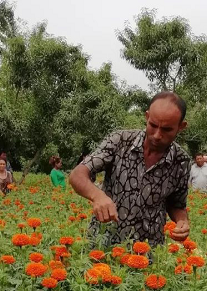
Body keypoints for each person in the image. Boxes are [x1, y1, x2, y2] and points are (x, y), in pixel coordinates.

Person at [69, 91, 191, 247]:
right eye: (153, 125)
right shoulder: (120, 141)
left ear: (181, 127)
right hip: (104, 244)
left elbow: (176, 204)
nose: (157, 135)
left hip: (148, 251)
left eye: (167, 129)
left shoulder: (181, 162)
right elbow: (78, 174)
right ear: (147, 116)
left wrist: (182, 221)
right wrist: (97, 196)